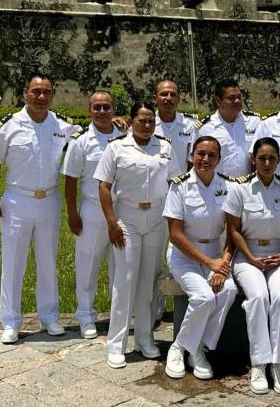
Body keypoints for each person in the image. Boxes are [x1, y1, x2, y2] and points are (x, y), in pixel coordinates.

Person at [0, 73, 80, 344]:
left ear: (52, 95)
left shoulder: (62, 125)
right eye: (36, 91)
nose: (41, 97)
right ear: (25, 93)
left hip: (49, 200)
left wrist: (120, 126)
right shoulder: (9, 126)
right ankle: (10, 321)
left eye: (47, 92)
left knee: (48, 260)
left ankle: (49, 317)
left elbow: (93, 137)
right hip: (17, 200)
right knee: (14, 262)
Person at [94, 101, 178, 369]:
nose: (147, 125)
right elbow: (104, 186)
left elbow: (176, 183)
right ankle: (116, 344)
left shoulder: (164, 147)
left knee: (149, 281)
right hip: (127, 219)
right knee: (125, 280)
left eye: (151, 121)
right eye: (141, 120)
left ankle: (144, 338)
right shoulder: (117, 148)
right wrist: (111, 222)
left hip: (156, 219)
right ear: (131, 122)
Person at [223, 137, 280, 395]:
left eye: (272, 158)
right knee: (257, 297)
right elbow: (233, 230)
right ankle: (258, 363)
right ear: (253, 159)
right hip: (247, 255)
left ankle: (278, 364)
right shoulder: (239, 190)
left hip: (278, 254)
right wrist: (251, 258)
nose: (267, 163)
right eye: (262, 158)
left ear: (279, 160)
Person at [163, 136, 238, 380]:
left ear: (219, 159)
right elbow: (175, 234)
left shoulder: (229, 186)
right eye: (200, 154)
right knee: (204, 296)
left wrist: (222, 264)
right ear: (192, 155)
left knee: (227, 291)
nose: (205, 159)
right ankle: (178, 347)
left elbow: (234, 232)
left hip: (216, 253)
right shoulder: (179, 185)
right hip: (184, 255)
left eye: (211, 155)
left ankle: (198, 348)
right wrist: (210, 264)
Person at [62, 91, 126, 339]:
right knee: (87, 265)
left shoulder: (124, 136)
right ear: (90, 110)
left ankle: (117, 316)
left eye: (106, 107)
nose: (102, 112)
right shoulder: (81, 141)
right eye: (97, 107)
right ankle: (86, 316)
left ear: (113, 109)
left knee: (119, 266)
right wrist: (71, 213)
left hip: (121, 209)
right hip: (92, 210)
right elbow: (70, 180)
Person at [153, 79, 199, 319]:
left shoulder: (190, 125)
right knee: (154, 255)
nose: (168, 98)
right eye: (163, 94)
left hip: (181, 196)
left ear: (179, 98)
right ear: (155, 98)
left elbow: (193, 162)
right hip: (153, 196)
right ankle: (155, 309)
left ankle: (188, 300)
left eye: (172, 94)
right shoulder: (147, 123)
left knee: (181, 249)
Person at [194, 78, 261, 177]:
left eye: (239, 97)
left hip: (247, 186)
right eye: (231, 98)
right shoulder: (204, 128)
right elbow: (195, 162)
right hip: (219, 188)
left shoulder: (254, 122)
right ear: (218, 101)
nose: (237, 101)